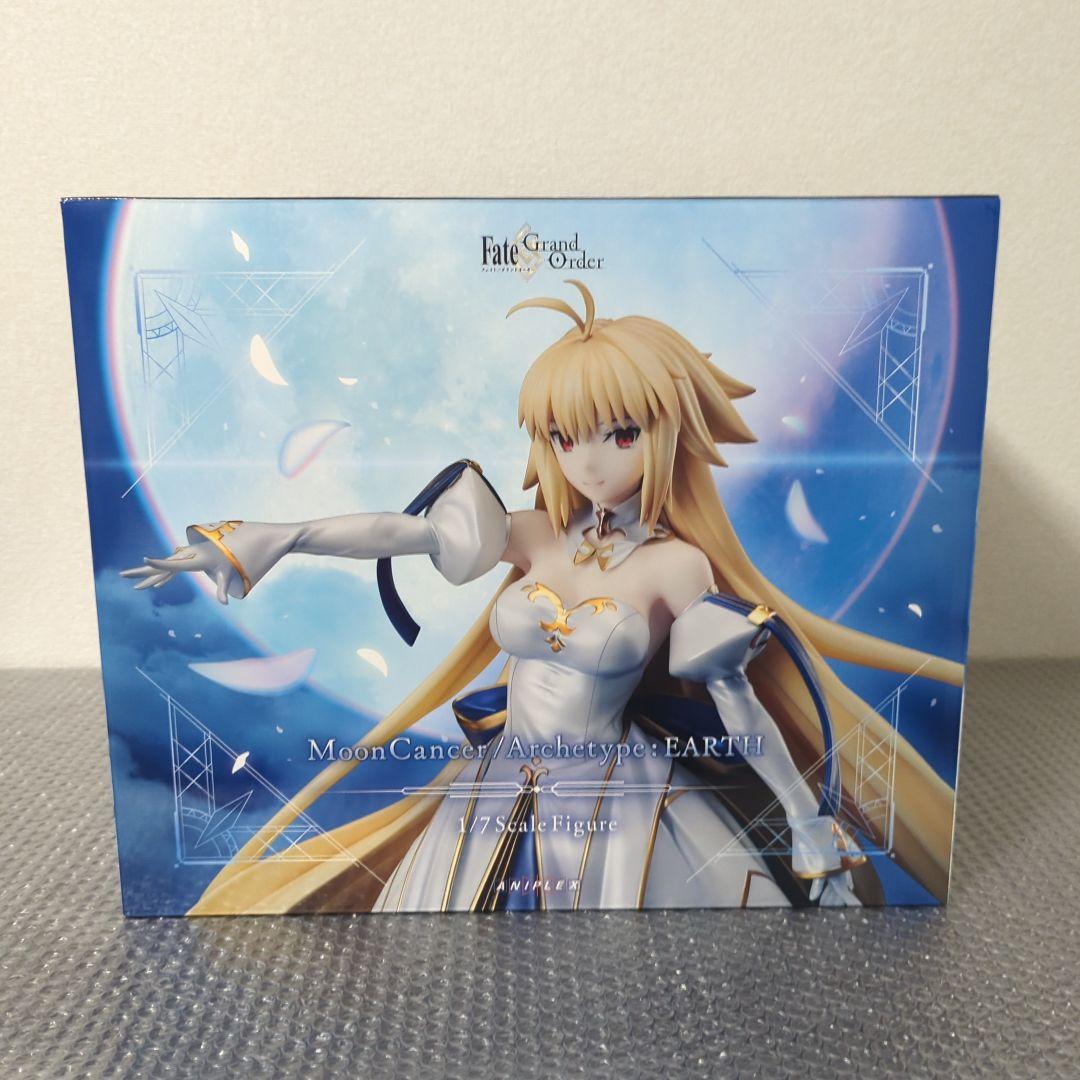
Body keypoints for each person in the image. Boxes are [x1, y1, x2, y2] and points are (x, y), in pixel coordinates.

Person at [124, 281, 962, 914]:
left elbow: (739, 704)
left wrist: (804, 818)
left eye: (619, 434)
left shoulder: (676, 568)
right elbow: (397, 532)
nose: (587, 461)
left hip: (619, 801)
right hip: (497, 783)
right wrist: (268, 538)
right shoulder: (534, 535)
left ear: (666, 431)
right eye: (563, 437)